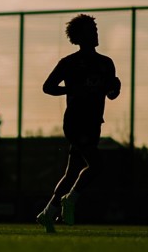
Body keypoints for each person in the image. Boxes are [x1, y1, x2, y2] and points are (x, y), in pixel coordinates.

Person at [35, 14, 121, 233]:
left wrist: (115, 88)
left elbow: (110, 94)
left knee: (72, 172)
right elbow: (48, 86)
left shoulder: (105, 63)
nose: (95, 33)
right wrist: (70, 89)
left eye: (95, 28)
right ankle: (70, 199)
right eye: (91, 29)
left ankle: (47, 213)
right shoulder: (69, 63)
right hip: (76, 121)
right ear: (80, 36)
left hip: (94, 122)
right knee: (97, 165)